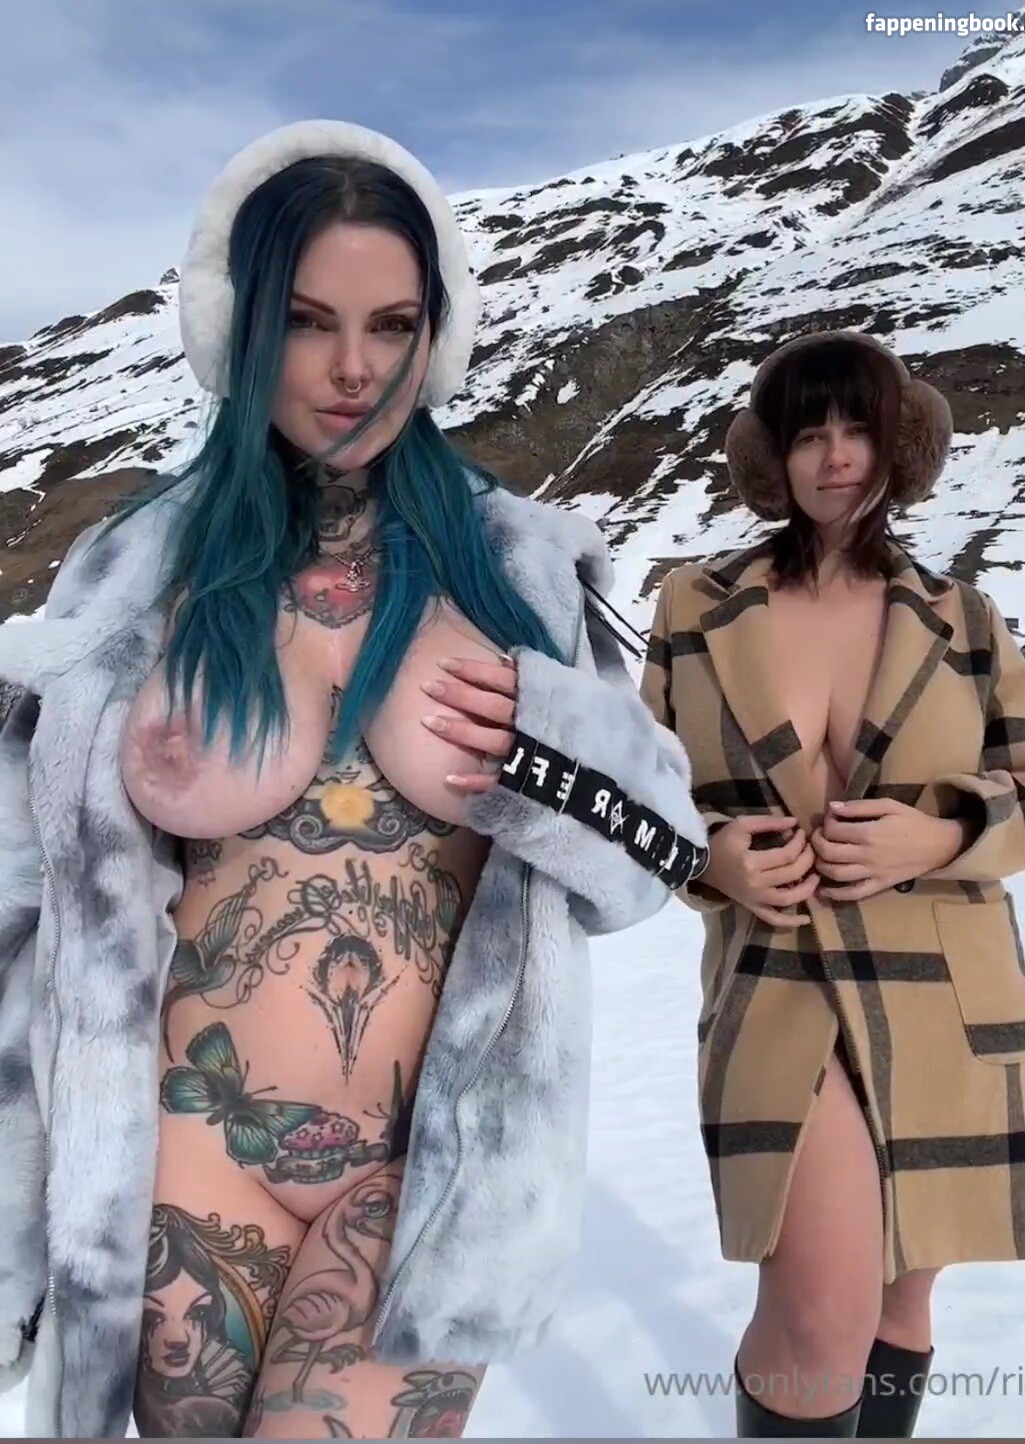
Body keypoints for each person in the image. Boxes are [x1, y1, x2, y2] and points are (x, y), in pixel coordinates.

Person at [0, 119, 710, 1439]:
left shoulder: (519, 566)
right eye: (307, 321)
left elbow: (653, 865)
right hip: (183, 1150)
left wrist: (550, 737)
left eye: (391, 326)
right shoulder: (138, 568)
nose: (352, 369)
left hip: (428, 1174)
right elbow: (24, 893)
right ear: (240, 328)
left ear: (439, 335)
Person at [639, 331, 1025, 1438]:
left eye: (859, 430)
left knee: (897, 1306)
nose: (835, 458)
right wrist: (709, 855)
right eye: (809, 435)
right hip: (776, 983)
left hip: (947, 995)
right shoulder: (696, 607)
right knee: (819, 1321)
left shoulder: (964, 617)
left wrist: (940, 835)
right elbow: (640, 792)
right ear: (770, 456)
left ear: (899, 443)